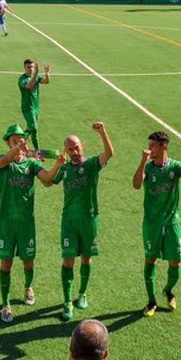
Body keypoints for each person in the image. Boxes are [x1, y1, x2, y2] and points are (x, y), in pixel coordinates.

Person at [0, 124, 64, 323]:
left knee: (28, 260)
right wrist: (19, 148)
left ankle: (28, 287)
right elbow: (4, 161)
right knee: (6, 263)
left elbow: (48, 180)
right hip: (7, 222)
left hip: (26, 223)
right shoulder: (2, 161)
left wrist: (58, 164)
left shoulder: (31, 165)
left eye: (20, 140)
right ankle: (5, 304)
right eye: (14, 141)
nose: (18, 143)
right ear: (8, 143)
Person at [132, 131, 181, 317]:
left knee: (176, 262)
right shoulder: (148, 168)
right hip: (152, 224)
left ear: (164, 146)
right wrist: (142, 162)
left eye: (153, 146)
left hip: (172, 223)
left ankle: (168, 290)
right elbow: (137, 185)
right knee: (151, 260)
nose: (150, 149)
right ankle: (151, 301)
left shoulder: (175, 167)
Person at [52, 122, 114, 321]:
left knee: (87, 258)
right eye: (70, 149)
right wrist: (56, 165)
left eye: (76, 147)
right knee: (68, 260)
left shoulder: (91, 164)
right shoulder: (65, 168)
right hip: (69, 221)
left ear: (82, 146)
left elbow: (109, 153)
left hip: (89, 220)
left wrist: (102, 132)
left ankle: (82, 294)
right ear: (66, 151)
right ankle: (67, 301)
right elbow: (48, 181)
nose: (74, 152)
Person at [18, 59, 50, 150]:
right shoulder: (22, 79)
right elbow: (29, 86)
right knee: (34, 129)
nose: (31, 69)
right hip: (27, 108)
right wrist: (35, 74)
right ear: (24, 68)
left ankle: (17, 145)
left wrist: (47, 73)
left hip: (36, 107)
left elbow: (46, 82)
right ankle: (37, 151)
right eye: (29, 67)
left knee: (30, 129)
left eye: (32, 67)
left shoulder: (36, 76)